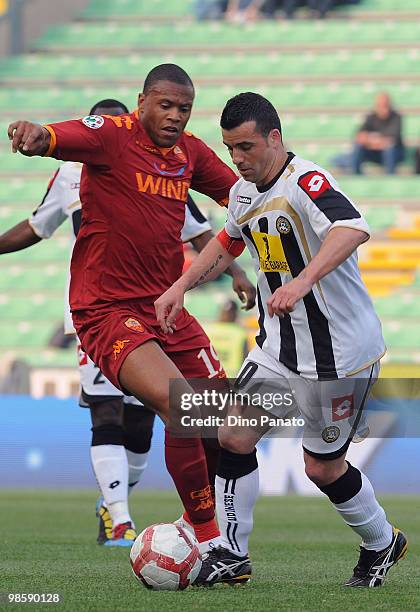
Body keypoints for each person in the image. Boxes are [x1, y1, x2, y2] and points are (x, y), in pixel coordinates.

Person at [155, 92, 408, 587]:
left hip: (341, 357)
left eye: (247, 147)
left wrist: (301, 280)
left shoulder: (306, 182)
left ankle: (382, 543)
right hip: (280, 350)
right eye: (231, 149)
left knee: (321, 469)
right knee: (232, 433)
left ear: (275, 137)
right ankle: (231, 552)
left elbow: (352, 227)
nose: (239, 160)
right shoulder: (244, 194)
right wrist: (180, 286)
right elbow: (230, 239)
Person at [7, 64, 255, 553]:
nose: (175, 117)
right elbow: (54, 137)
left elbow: (244, 196)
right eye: (165, 105)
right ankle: (206, 543)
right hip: (107, 310)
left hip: (166, 308)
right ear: (141, 101)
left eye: (184, 109)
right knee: (178, 405)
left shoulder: (190, 153)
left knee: (222, 424)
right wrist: (36, 135)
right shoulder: (110, 136)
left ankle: (210, 534)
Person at [351, 92, 405, 175]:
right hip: (374, 152)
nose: (382, 107)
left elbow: (391, 140)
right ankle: (356, 175)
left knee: (389, 149)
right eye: (379, 104)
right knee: (358, 146)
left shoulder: (396, 117)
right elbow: (360, 136)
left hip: (393, 153)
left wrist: (371, 140)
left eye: (384, 104)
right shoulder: (371, 117)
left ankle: (390, 177)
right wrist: (375, 142)